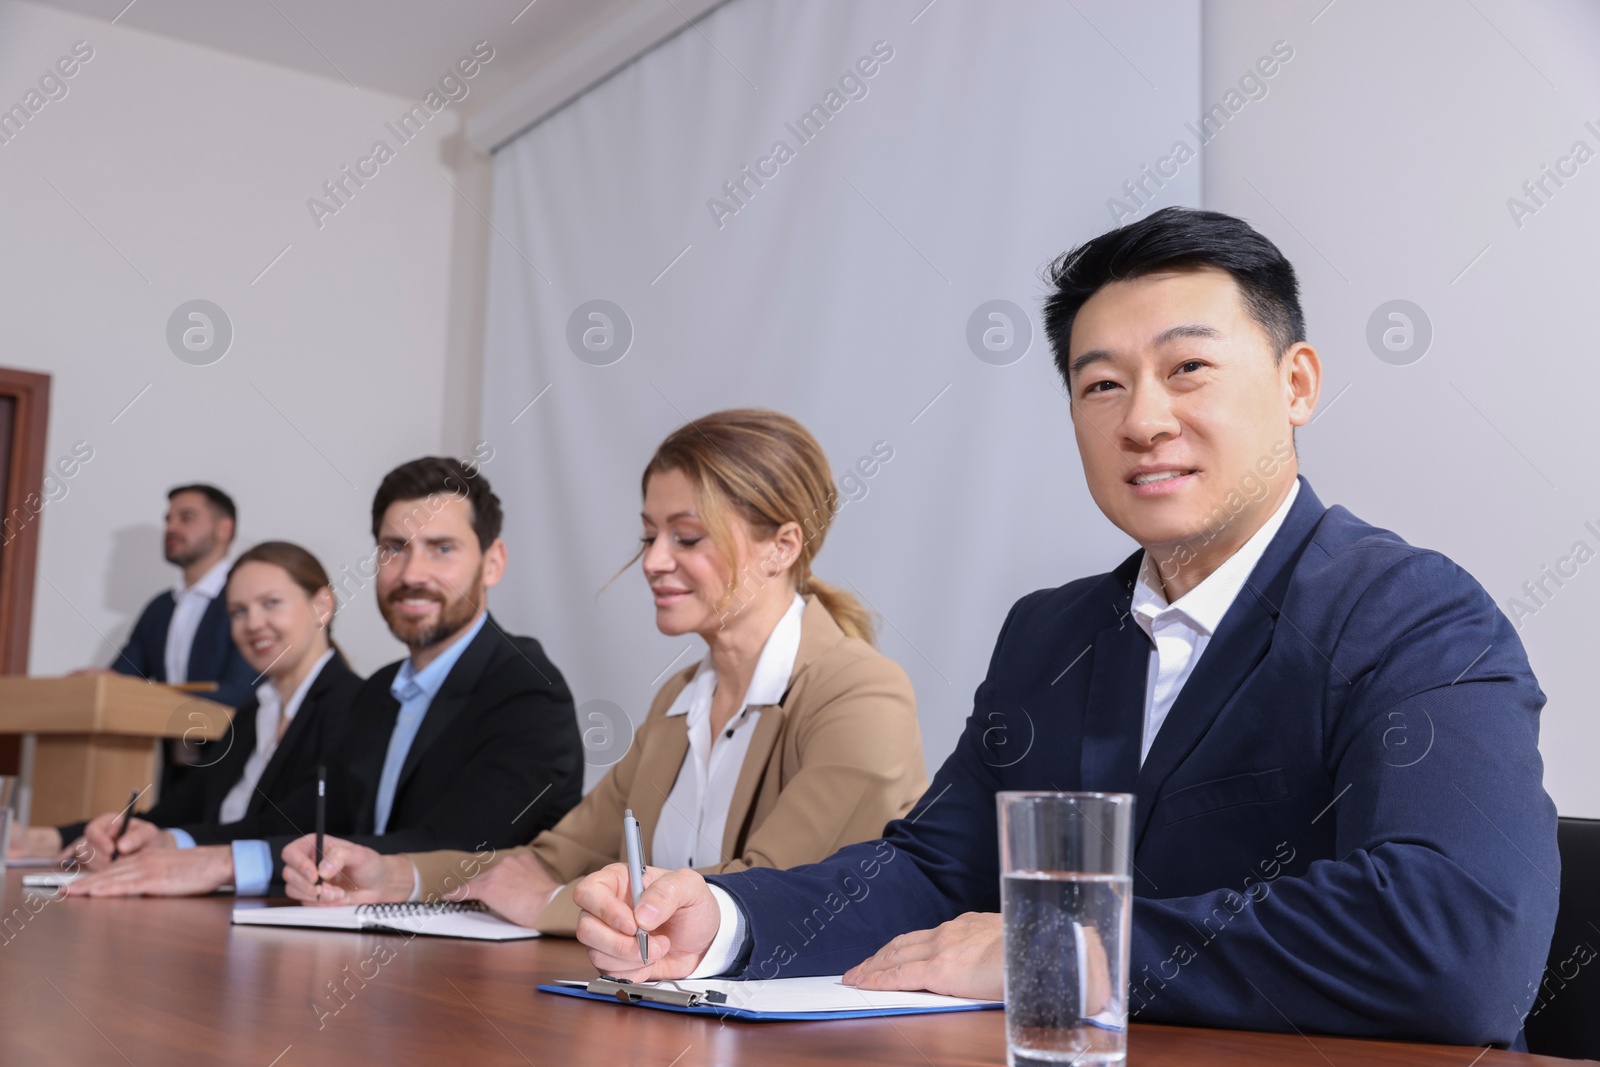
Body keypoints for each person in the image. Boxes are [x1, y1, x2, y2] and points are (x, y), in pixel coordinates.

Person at [571, 208, 1560, 1049]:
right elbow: (932, 870)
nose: (1143, 418)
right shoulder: (1049, 633)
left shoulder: (1414, 614)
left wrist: (1052, 947)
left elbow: (1457, 942)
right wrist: (724, 915)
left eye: (1188, 369)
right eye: (1100, 384)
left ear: (1296, 383)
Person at [280, 410, 928, 936]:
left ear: (782, 546)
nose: (654, 561)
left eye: (687, 537)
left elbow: (770, 892)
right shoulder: (681, 698)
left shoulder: (861, 693)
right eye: (649, 536)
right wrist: (393, 877)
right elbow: (555, 857)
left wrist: (551, 906)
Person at [67, 457, 583, 897]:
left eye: (442, 549)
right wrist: (173, 843)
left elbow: (458, 849)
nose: (411, 574)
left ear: (492, 564)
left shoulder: (528, 689)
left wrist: (226, 863)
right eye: (394, 548)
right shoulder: (380, 692)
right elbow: (302, 823)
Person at [9, 542, 363, 863]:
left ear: (322, 606)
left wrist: (172, 843)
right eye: (238, 611)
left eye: (271, 603)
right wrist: (45, 838)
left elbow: (297, 826)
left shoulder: (355, 705)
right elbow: (175, 812)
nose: (253, 623)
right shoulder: (253, 714)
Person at [111, 484, 256, 792]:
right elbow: (121, 680)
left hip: (235, 767)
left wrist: (157, 700)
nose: (171, 528)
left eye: (186, 518)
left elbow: (245, 692)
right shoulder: (159, 607)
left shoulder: (246, 600)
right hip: (169, 776)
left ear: (223, 528)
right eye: (168, 519)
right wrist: (97, 683)